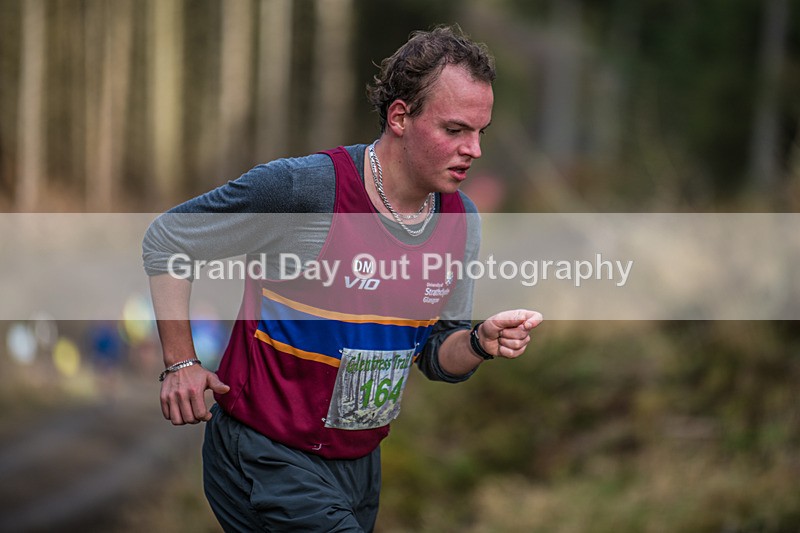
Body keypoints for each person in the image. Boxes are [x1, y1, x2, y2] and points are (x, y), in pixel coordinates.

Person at [143, 25, 542, 532]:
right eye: (456, 130)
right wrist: (181, 361)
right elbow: (169, 238)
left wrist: (481, 342)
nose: (474, 150)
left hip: (359, 467)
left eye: (480, 132)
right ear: (401, 117)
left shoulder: (460, 223)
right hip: (266, 455)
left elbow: (438, 354)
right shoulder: (305, 191)